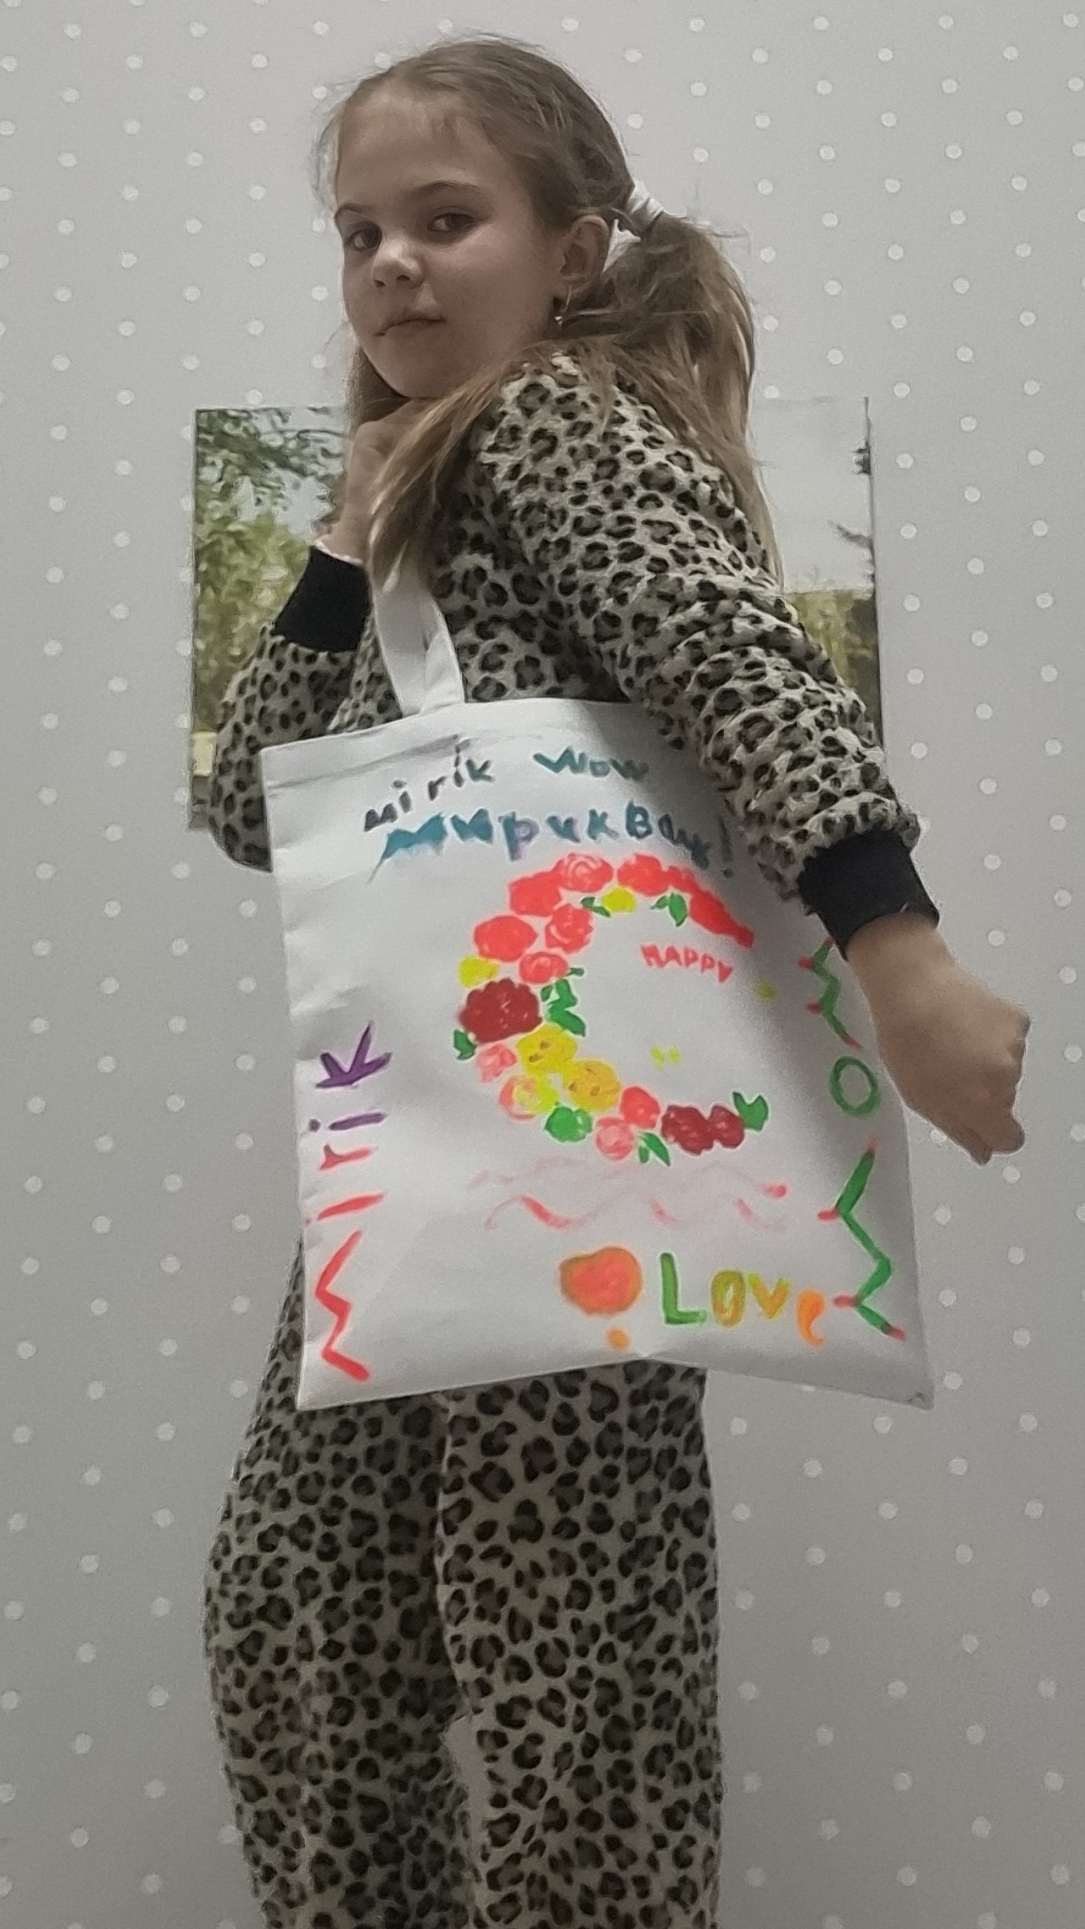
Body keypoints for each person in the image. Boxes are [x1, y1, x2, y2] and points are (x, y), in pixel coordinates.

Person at [200, 33, 1029, 1929]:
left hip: (564, 1154)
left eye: (444, 218)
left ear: (571, 250)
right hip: (429, 1150)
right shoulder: (420, 484)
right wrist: (345, 532)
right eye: (357, 232)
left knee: (555, 1660)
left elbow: (735, 664)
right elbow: (251, 802)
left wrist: (897, 947)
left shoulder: (557, 423)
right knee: (322, 1624)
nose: (390, 264)